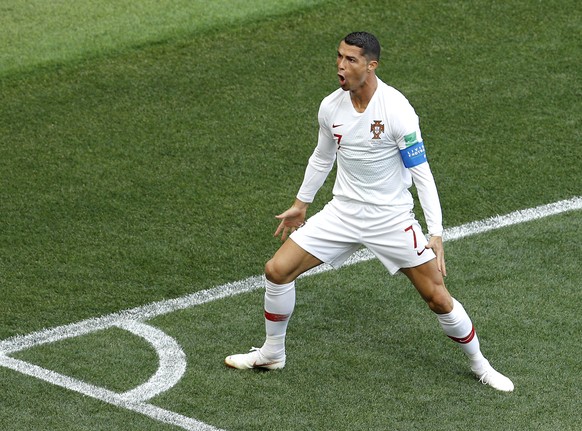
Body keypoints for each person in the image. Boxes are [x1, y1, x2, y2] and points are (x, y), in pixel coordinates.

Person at [225, 32, 514, 392]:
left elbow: (422, 173)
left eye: (350, 60)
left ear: (371, 65)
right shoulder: (331, 107)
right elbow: (322, 156)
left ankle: (481, 365)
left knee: (437, 297)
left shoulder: (397, 110)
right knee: (277, 270)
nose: (340, 66)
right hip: (342, 213)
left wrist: (435, 232)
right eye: (339, 57)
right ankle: (272, 352)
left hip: (390, 219)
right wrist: (302, 204)